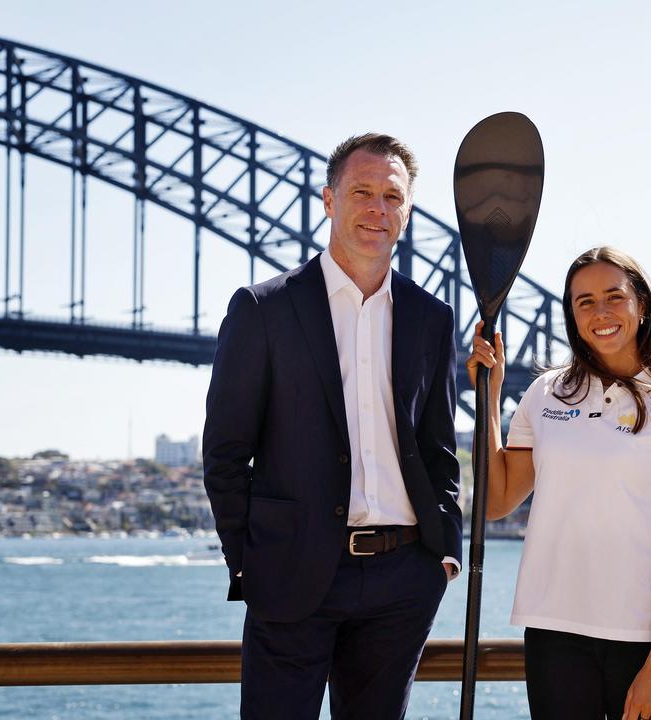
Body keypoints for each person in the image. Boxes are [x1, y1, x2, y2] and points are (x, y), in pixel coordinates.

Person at [202, 133, 461, 719]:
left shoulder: (431, 318)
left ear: (408, 210)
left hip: (403, 578)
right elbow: (225, 449)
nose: (378, 209)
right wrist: (248, 560)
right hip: (292, 573)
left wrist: (441, 554)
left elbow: (438, 445)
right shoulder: (264, 309)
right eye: (362, 192)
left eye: (392, 197)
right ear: (328, 200)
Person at [466, 246, 651, 720]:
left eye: (613, 297)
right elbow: (497, 500)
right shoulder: (546, 393)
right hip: (554, 628)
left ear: (642, 305)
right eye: (584, 301)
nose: (600, 312)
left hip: (646, 638)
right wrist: (492, 393)